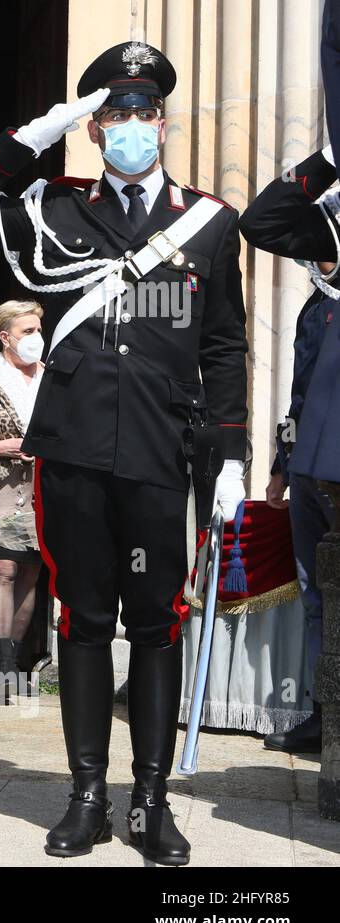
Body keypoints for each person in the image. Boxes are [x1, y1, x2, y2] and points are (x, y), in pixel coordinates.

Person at [0, 41, 249, 866]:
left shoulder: (209, 221)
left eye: (144, 114)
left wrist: (233, 453)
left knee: (155, 624)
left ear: (163, 124)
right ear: (96, 129)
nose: (132, 128)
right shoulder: (57, 207)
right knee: (81, 621)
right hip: (71, 451)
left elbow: (223, 346)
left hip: (157, 452)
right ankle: (85, 797)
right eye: (115, 116)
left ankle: (149, 802)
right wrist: (42, 130)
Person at [240, 142, 340, 755]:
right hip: (309, 468)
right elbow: (264, 221)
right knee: (316, 598)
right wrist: (329, 156)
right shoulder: (318, 306)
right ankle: (324, 712)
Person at [0, 300, 46, 703]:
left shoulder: (50, 376)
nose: (36, 338)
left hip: (41, 484)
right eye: (27, 331)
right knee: (3, 566)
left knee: (30, 573)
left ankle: (17, 659)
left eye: (38, 329)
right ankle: (2, 664)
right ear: (5, 337)